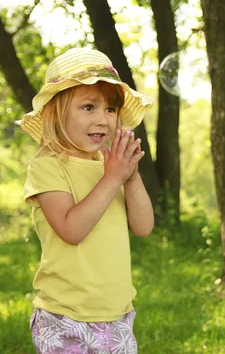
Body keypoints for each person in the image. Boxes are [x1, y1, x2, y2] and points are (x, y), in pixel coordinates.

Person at [18, 47, 154, 354]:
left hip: (117, 314)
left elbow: (143, 227)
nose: (103, 120)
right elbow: (71, 229)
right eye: (89, 107)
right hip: (65, 316)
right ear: (56, 113)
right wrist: (113, 177)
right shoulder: (47, 167)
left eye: (110, 110)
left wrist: (130, 176)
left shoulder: (111, 167)